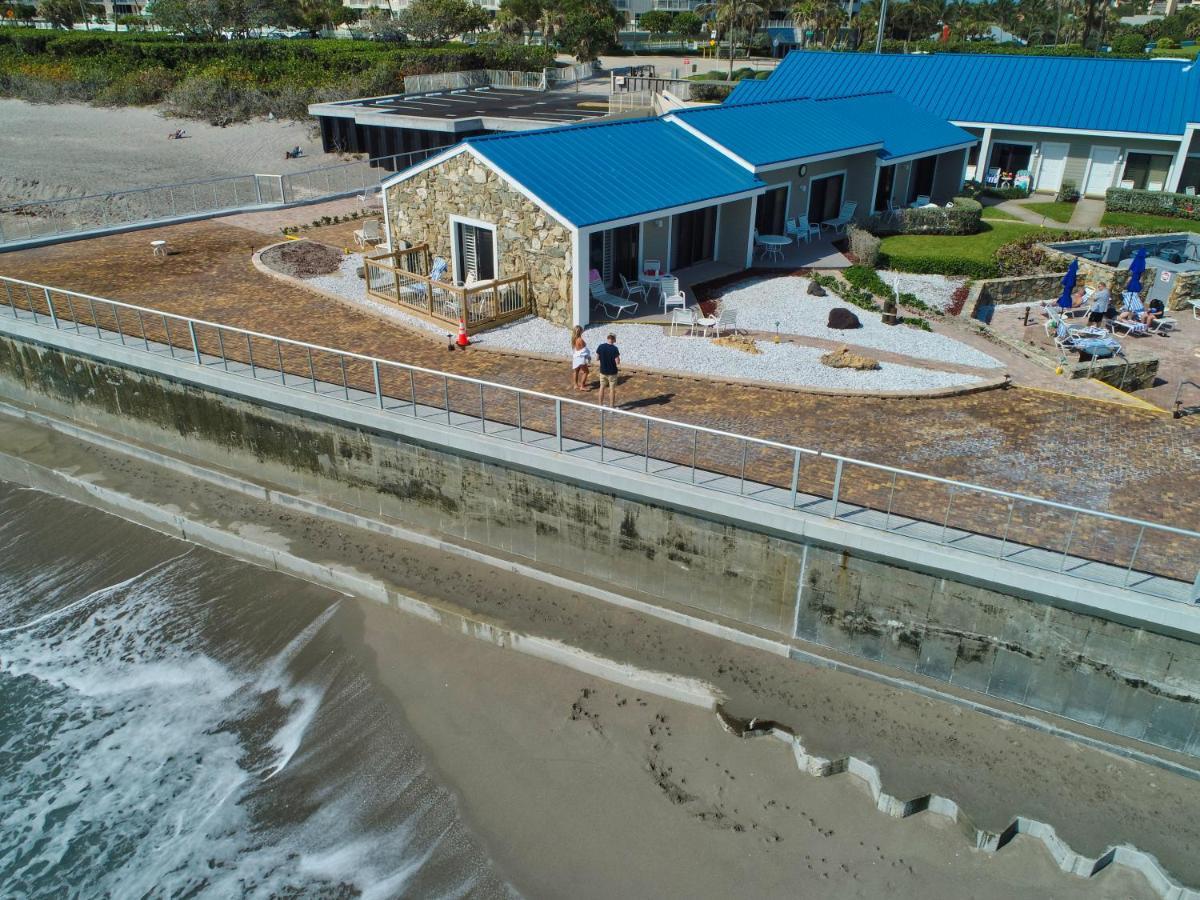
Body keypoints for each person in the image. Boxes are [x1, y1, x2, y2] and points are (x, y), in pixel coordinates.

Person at [595, 333, 621, 408]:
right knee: (612, 389)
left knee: (601, 387)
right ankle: (611, 407)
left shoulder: (601, 346)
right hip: (612, 372)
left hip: (603, 371)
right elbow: (617, 362)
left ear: (608, 338)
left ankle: (600, 406)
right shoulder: (615, 349)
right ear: (613, 339)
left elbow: (596, 358)